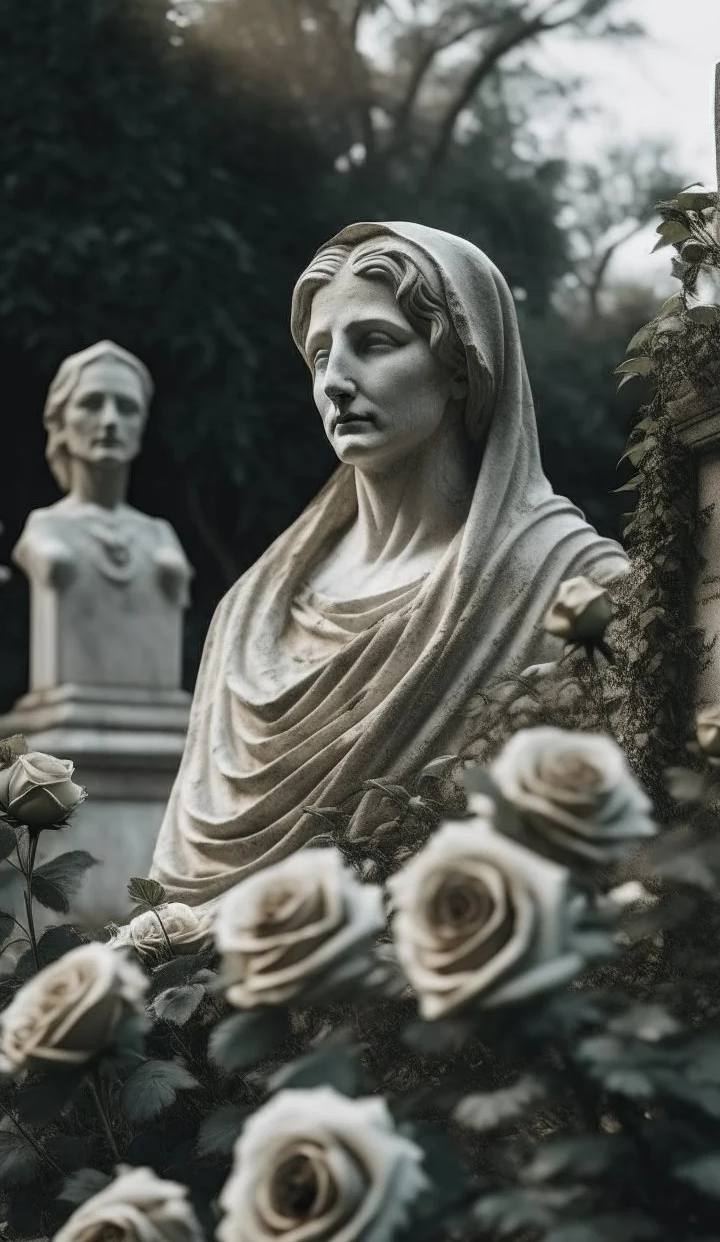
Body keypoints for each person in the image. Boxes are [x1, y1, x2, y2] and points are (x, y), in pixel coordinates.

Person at [150, 222, 628, 906]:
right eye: (319, 356)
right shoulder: (248, 615)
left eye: (375, 343)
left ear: (464, 366)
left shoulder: (569, 584)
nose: (336, 382)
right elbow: (172, 890)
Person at [15, 340, 191, 690]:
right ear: (61, 423)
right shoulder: (45, 528)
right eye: (91, 404)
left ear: (140, 426)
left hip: (159, 720)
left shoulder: (160, 534)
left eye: (126, 407)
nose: (110, 421)